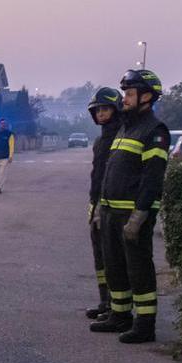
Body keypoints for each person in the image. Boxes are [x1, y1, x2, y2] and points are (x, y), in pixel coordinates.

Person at [90, 70, 169, 344]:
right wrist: (101, 206)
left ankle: (145, 325)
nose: (125, 99)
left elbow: (152, 178)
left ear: (146, 97)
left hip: (131, 214)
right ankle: (120, 315)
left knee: (138, 269)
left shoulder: (154, 131)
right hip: (112, 211)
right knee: (115, 267)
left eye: (130, 93)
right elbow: (109, 170)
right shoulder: (126, 127)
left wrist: (140, 216)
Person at [84, 87, 123, 320]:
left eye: (105, 109)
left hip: (110, 206)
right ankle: (104, 300)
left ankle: (114, 305)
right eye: (97, 110)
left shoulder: (121, 136)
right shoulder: (101, 140)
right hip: (96, 202)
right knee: (99, 257)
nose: (100, 114)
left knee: (112, 258)